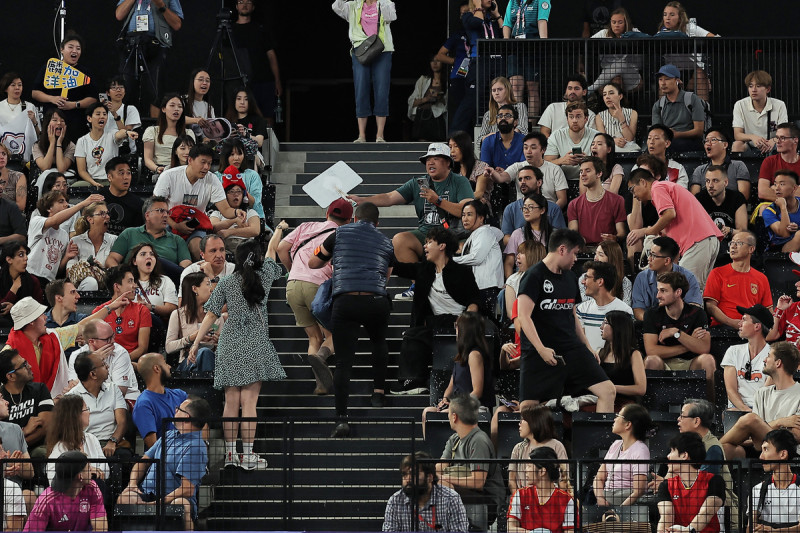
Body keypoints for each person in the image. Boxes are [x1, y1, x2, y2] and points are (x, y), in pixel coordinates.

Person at [189, 234, 287, 470]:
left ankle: (231, 455)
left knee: (231, 401)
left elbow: (211, 314)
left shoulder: (225, 282)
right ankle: (248, 455)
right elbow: (273, 252)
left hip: (230, 343)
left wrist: (195, 343)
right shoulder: (264, 276)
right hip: (255, 343)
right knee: (249, 401)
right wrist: (278, 231)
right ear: (258, 258)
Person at [308, 205, 394, 435]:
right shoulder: (386, 242)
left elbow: (314, 263)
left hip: (345, 300)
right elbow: (386, 276)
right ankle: (378, 393)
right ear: (377, 223)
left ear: (355, 219)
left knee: (344, 361)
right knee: (379, 342)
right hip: (376, 300)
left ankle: (342, 418)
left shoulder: (339, 233)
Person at [349, 143, 473, 296]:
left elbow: (466, 210)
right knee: (399, 240)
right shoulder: (418, 183)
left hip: (452, 236)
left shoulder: (460, 182)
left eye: (435, 159)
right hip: (426, 236)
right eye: (427, 160)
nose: (430, 163)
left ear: (448, 162)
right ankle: (420, 286)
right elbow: (389, 197)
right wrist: (362, 200)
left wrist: (438, 200)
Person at [516, 229, 616, 412]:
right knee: (528, 408)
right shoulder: (533, 276)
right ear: (562, 250)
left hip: (571, 348)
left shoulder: (571, 277)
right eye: (575, 253)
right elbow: (523, 316)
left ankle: (605, 440)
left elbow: (573, 315)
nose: (576, 259)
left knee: (608, 390)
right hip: (539, 351)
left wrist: (586, 346)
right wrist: (541, 349)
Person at [390, 227, 481, 395]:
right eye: (425, 243)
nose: (425, 247)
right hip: (434, 321)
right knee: (413, 335)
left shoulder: (462, 272)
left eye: (429, 242)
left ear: (442, 246)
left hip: (458, 321)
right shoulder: (424, 269)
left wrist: (467, 319)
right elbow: (397, 267)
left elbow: (474, 300)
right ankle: (414, 382)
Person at [277, 200, 352, 394]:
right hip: (317, 287)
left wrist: (291, 271)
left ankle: (321, 384)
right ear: (349, 220)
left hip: (292, 285)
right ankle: (321, 358)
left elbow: (280, 248)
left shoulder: (306, 226)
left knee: (314, 338)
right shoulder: (341, 235)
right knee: (334, 335)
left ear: (327, 213)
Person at [117, 397, 209, 532]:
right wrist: (132, 484)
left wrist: (155, 504)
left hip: (173, 497)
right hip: (148, 493)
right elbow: (144, 461)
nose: (175, 410)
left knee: (181, 504)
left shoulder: (195, 446)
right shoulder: (169, 435)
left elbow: (186, 489)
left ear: (186, 417)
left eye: (179, 409)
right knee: (125, 498)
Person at [626, 165, 722, 290]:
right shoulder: (666, 187)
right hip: (706, 240)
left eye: (633, 189)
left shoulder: (657, 188)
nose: (633, 196)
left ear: (643, 182)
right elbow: (672, 220)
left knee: (681, 288)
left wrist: (646, 231)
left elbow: (670, 214)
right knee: (695, 290)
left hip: (699, 241)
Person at [154, 144, 248, 260]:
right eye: (203, 162)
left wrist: (236, 212)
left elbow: (225, 210)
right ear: (190, 160)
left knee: (198, 248)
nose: (206, 167)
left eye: (209, 163)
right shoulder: (168, 176)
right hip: (169, 222)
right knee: (169, 253)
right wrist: (175, 225)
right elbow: (156, 207)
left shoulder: (212, 179)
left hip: (196, 226)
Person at [642, 272, 716, 401]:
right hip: (663, 363)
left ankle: (708, 410)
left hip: (690, 362)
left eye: (663, 291)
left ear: (678, 293)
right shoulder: (652, 314)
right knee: (651, 360)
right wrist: (688, 344)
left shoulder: (697, 313)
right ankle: (650, 411)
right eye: (658, 290)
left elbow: (704, 348)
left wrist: (677, 333)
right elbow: (651, 350)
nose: (658, 295)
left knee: (707, 360)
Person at [720, 341, 800, 459]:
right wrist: (779, 422)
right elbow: (755, 435)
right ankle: (713, 450)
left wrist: (760, 425)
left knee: (751, 419)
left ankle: (711, 447)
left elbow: (795, 437)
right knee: (727, 449)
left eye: (768, 356)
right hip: (760, 447)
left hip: (787, 452)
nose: (764, 360)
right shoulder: (762, 393)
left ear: (778, 363)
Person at [332, 0, 396, 143]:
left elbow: (391, 17)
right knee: (361, 89)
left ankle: (380, 135)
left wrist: (382, 2)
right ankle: (361, 135)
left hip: (383, 50)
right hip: (361, 51)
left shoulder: (385, 3)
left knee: (381, 90)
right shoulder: (354, 5)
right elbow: (336, 6)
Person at [436, 394, 505, 528]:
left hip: (487, 500)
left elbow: (478, 481)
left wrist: (444, 478)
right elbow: (440, 467)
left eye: (449, 413)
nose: (448, 417)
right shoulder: (454, 439)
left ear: (454, 417)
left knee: (442, 485)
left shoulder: (478, 440)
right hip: (465, 493)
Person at [424, 312, 494, 437]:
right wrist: (445, 399)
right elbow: (451, 385)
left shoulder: (474, 355)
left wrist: (456, 405)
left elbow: (477, 391)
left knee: (441, 414)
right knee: (427, 412)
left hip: (474, 406)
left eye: (457, 326)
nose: (455, 329)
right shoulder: (461, 356)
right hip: (458, 404)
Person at [115, 0, 183, 117]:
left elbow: (177, 24)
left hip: (156, 44)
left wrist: (161, 5)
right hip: (130, 44)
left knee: (155, 91)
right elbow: (119, 15)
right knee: (126, 88)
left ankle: (154, 131)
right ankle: (125, 129)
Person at [31, 32, 98, 145]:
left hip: (76, 124)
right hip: (51, 123)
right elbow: (35, 93)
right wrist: (52, 98)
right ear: (62, 49)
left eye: (78, 48)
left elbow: (93, 99)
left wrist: (74, 104)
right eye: (70, 47)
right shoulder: (50, 68)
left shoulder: (85, 72)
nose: (74, 51)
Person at [106, 196, 192, 281]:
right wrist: (122, 278)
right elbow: (112, 259)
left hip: (165, 283)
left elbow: (186, 268)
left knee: (160, 262)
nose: (166, 215)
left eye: (167, 212)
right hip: (135, 281)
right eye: (161, 211)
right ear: (147, 215)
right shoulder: (129, 233)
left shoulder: (177, 240)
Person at [449, 0, 503, 134]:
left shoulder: (491, 18)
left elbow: (504, 33)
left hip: (496, 61)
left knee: (496, 97)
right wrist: (478, 6)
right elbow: (477, 23)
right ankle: (455, 134)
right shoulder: (468, 16)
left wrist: (497, 14)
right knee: (473, 98)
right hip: (479, 61)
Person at [382, 451, 469, 532]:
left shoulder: (451, 499)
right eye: (404, 474)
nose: (407, 479)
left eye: (413, 474)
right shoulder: (395, 501)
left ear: (430, 477)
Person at [65, 351, 130, 458]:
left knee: (122, 455)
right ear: (93, 374)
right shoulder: (71, 398)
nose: (107, 366)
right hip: (85, 444)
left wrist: (112, 442)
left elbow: (122, 422)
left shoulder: (113, 389)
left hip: (112, 443)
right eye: (103, 364)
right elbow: (70, 432)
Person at [656, 432, 725, 533]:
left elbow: (706, 512)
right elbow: (667, 515)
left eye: (672, 451)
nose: (668, 456)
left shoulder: (714, 481)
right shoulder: (666, 485)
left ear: (684, 455)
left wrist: (688, 530)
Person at [23, 451, 107, 532]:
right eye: (88, 468)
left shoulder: (92, 488)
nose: (92, 470)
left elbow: (100, 529)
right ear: (80, 476)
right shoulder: (46, 500)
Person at [703, 232, 772, 329]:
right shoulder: (717, 273)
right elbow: (710, 306)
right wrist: (731, 322)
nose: (733, 246)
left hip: (751, 329)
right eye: (731, 243)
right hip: (723, 328)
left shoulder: (761, 278)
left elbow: (768, 310)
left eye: (739, 243)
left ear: (751, 249)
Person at [5, 297, 70, 397]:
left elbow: (84, 327)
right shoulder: (7, 355)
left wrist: (104, 308)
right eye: (42, 314)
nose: (46, 317)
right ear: (31, 321)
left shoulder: (54, 337)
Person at [230, 0, 282, 124]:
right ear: (237, 6)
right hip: (241, 83)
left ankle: (268, 143)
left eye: (248, 2)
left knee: (267, 117)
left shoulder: (261, 29)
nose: (244, 5)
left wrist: (277, 81)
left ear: (253, 7)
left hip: (264, 80)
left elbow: (271, 56)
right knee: (242, 117)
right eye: (241, 1)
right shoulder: (230, 30)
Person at [592, 404, 651, 511]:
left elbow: (639, 491)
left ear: (628, 424)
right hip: (606, 500)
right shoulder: (615, 445)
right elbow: (599, 478)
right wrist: (600, 499)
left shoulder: (640, 450)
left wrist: (622, 510)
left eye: (618, 415)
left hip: (627, 504)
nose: (614, 419)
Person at [631, 236, 703, 321]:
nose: (649, 258)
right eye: (649, 253)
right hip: (651, 326)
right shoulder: (642, 277)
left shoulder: (688, 277)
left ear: (667, 261)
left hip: (681, 325)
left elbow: (693, 308)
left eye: (653, 255)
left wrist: (673, 325)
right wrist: (654, 324)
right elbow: (638, 310)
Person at [67, 320, 140, 403]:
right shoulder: (76, 355)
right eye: (108, 339)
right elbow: (74, 390)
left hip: (124, 401)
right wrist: (94, 361)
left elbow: (120, 393)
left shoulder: (120, 353)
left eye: (113, 336)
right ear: (92, 341)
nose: (113, 341)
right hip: (88, 402)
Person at [44, 395, 108, 488]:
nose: (89, 412)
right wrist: (86, 472)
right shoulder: (59, 448)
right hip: (70, 497)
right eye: (86, 409)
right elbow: (53, 481)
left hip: (94, 490)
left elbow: (105, 468)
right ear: (75, 415)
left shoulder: (91, 439)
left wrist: (95, 472)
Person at [166, 272, 224, 375]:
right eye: (207, 284)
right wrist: (192, 338)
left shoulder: (216, 315)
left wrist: (218, 341)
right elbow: (169, 347)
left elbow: (223, 349)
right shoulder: (178, 315)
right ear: (194, 289)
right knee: (204, 352)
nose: (211, 288)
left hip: (213, 360)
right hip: (187, 363)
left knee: (206, 353)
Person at [507, 447, 576, 533]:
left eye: (529, 466)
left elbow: (570, 531)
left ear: (542, 471)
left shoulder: (567, 500)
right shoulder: (520, 495)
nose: (525, 470)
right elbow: (510, 528)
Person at [92, 265, 151, 363]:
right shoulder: (99, 312)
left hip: (130, 362)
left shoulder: (142, 310)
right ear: (117, 286)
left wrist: (121, 361)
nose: (135, 286)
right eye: (130, 281)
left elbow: (142, 348)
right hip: (104, 363)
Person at [0, 349, 54, 456]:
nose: (30, 366)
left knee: (40, 453)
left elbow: (46, 426)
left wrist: (18, 441)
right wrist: (23, 432)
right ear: (11, 376)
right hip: (7, 452)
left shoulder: (40, 389)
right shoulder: (1, 399)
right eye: (24, 365)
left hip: (36, 447)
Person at [453, 201, 504, 315]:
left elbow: (476, 258)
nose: (465, 219)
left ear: (481, 218)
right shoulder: (476, 234)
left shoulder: (484, 232)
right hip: (479, 288)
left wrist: (449, 261)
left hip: (487, 289)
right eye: (463, 215)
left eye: (469, 214)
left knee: (485, 327)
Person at [720, 304, 773, 411]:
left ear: (757, 326)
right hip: (737, 409)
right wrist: (746, 411)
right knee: (731, 412)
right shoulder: (733, 351)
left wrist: (754, 414)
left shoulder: (773, 355)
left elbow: (766, 394)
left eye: (743, 320)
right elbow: (731, 391)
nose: (739, 324)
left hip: (763, 410)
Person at [496, 131, 568, 209]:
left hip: (548, 211)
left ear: (543, 150)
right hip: (523, 211)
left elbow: (562, 199)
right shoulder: (517, 167)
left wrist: (548, 213)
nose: (528, 152)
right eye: (525, 147)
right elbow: (501, 178)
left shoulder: (555, 169)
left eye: (533, 148)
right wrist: (492, 172)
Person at [502, 0, 548, 121]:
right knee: (515, 86)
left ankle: (531, 124)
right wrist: (506, 43)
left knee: (532, 86)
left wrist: (543, 43)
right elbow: (507, 24)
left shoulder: (540, 1)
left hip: (533, 45)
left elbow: (542, 20)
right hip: (515, 46)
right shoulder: (513, 1)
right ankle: (518, 122)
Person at [500, 164, 566, 248]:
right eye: (520, 179)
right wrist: (527, 248)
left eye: (527, 178)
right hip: (520, 255)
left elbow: (561, 238)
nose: (522, 182)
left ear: (539, 182)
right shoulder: (510, 209)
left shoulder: (553, 208)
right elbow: (506, 239)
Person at [132, 352, 188, 449]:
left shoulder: (180, 394)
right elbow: (154, 447)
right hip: (166, 459)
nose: (169, 366)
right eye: (165, 363)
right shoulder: (144, 404)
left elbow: (201, 419)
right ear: (157, 368)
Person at [567, 157, 626, 248]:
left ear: (599, 174)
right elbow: (573, 234)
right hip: (583, 250)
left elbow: (621, 232)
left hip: (608, 249)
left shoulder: (617, 200)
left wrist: (614, 238)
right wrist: (578, 240)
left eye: (587, 170)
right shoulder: (574, 204)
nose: (583, 174)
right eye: (581, 171)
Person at [74, 103, 137, 187]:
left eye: (104, 114)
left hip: (111, 180)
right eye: (98, 114)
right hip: (92, 181)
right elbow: (81, 171)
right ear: (89, 118)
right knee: (75, 186)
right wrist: (94, 183)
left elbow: (120, 133)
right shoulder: (82, 141)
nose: (102, 116)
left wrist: (127, 132)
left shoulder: (111, 134)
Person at [508, 405, 569, 493]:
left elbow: (564, 479)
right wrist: (519, 500)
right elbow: (511, 480)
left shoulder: (557, 446)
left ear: (534, 422)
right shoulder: (518, 449)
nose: (519, 423)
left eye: (523, 419)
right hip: (524, 501)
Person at [749, 429, 800, 530]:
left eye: (766, 449)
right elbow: (750, 527)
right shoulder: (758, 490)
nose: (761, 457)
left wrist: (775, 532)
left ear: (783, 454)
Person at [577, 261, 633, 353]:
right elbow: (580, 343)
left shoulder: (624, 310)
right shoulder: (582, 309)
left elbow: (624, 346)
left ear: (600, 282)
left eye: (586, 277)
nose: (583, 282)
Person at [650, 64, 705, 153]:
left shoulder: (692, 99)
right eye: (660, 80)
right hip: (667, 141)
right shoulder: (658, 105)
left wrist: (677, 134)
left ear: (677, 81)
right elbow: (656, 131)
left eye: (667, 79)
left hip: (690, 141)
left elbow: (699, 131)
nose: (663, 83)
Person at [694, 166, 748, 254]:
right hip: (706, 245)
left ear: (725, 182)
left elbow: (743, 232)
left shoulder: (737, 198)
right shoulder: (699, 198)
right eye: (707, 181)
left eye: (715, 181)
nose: (710, 185)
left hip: (731, 246)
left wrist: (730, 231)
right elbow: (695, 230)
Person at [732, 70, 788, 155]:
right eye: (750, 86)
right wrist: (753, 137)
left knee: (785, 143)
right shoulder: (740, 105)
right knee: (737, 145)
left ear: (768, 89)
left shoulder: (779, 105)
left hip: (773, 144)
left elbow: (784, 133)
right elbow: (737, 135)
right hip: (750, 145)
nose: (753, 90)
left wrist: (773, 141)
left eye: (758, 86)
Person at [587, 9, 643, 93]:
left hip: (630, 75)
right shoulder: (604, 33)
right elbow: (587, 44)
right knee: (616, 68)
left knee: (621, 64)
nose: (616, 25)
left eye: (620, 22)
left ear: (626, 22)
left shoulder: (634, 32)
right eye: (614, 22)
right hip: (607, 76)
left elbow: (647, 40)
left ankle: (591, 88)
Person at [67, 201, 117, 292]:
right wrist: (87, 268)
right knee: (91, 282)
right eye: (102, 214)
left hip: (107, 289)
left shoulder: (114, 240)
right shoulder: (76, 241)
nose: (108, 217)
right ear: (90, 219)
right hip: (82, 288)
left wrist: (101, 269)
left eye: (107, 213)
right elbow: (69, 273)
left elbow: (118, 272)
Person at [544, 101, 600, 180]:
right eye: (571, 117)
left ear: (586, 119)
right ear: (567, 119)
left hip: (590, 181)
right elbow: (546, 164)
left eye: (578, 116)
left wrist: (587, 161)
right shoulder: (556, 136)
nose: (574, 121)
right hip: (562, 181)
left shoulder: (597, 136)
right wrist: (562, 161)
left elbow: (605, 163)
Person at [598, 310, 646, 401]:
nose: (601, 327)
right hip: (602, 400)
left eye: (605, 323)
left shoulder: (634, 354)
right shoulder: (600, 353)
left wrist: (611, 388)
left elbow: (641, 389)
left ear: (618, 327)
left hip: (625, 403)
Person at [209, 169, 261, 254]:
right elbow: (213, 227)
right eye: (231, 192)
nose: (235, 195)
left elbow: (255, 230)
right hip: (224, 248)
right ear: (225, 195)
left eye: (238, 192)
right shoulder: (217, 213)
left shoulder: (250, 212)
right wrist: (234, 221)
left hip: (246, 248)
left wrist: (229, 232)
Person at [142, 94, 195, 175]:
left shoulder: (188, 133)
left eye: (180, 107)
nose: (176, 109)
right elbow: (147, 159)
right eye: (172, 105)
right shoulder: (152, 131)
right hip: (159, 170)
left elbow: (192, 156)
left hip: (182, 170)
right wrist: (157, 169)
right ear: (163, 109)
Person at [690, 131, 751, 199]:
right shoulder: (700, 170)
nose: (708, 144)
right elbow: (694, 199)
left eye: (713, 140)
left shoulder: (738, 166)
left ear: (725, 145)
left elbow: (743, 197)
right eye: (706, 141)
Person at [504, 193, 553, 278]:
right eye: (524, 208)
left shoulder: (553, 234)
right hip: (522, 278)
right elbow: (509, 263)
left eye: (530, 207)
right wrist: (510, 282)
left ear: (542, 210)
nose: (526, 211)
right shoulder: (518, 233)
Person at [129, 242, 178, 324]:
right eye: (143, 254)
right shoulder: (128, 282)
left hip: (155, 325)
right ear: (134, 261)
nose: (149, 257)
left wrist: (150, 307)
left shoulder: (165, 280)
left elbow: (172, 308)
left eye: (151, 254)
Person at [216, 138, 265, 218]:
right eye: (232, 154)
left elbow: (256, 204)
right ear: (225, 156)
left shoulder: (253, 175)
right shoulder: (216, 177)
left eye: (239, 154)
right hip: (222, 217)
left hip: (250, 217)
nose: (236, 158)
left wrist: (242, 189)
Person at [177, 234, 235, 301]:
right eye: (213, 251)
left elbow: (233, 305)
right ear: (202, 254)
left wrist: (211, 276)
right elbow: (183, 305)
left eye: (222, 250)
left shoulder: (234, 271)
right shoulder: (191, 271)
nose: (219, 255)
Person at [476, 77, 528, 148]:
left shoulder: (520, 107)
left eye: (500, 89)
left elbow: (523, 129)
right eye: (494, 90)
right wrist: (490, 137)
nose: (496, 93)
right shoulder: (488, 114)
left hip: (515, 147)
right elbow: (479, 140)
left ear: (508, 90)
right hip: (494, 148)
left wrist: (504, 136)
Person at [0, 242, 44, 324]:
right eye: (21, 255)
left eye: (26, 254)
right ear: (9, 259)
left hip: (27, 327)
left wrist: (14, 309)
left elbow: (38, 310)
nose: (26, 258)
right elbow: (2, 309)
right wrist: (14, 289)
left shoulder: (33, 281)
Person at [578, 241, 631, 306]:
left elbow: (625, 308)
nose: (595, 258)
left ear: (612, 258)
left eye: (600, 255)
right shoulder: (584, 278)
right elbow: (588, 305)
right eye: (595, 254)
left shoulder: (624, 282)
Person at [757, 123, 800, 203]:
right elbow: (763, 192)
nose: (778, 142)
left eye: (782, 138)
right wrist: (792, 191)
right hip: (775, 206)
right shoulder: (769, 161)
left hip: (798, 208)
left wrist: (775, 188)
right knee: (763, 208)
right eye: (777, 138)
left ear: (795, 140)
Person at [100, 157, 144, 236]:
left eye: (128, 173)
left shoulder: (138, 204)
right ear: (109, 177)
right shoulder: (98, 197)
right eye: (121, 173)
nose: (126, 177)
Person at [408, 56, 447, 142]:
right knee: (422, 145)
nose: (435, 63)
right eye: (432, 61)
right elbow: (411, 101)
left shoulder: (447, 81)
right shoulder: (423, 80)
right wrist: (427, 99)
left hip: (437, 116)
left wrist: (440, 98)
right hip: (422, 115)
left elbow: (449, 103)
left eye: (438, 61)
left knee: (437, 144)